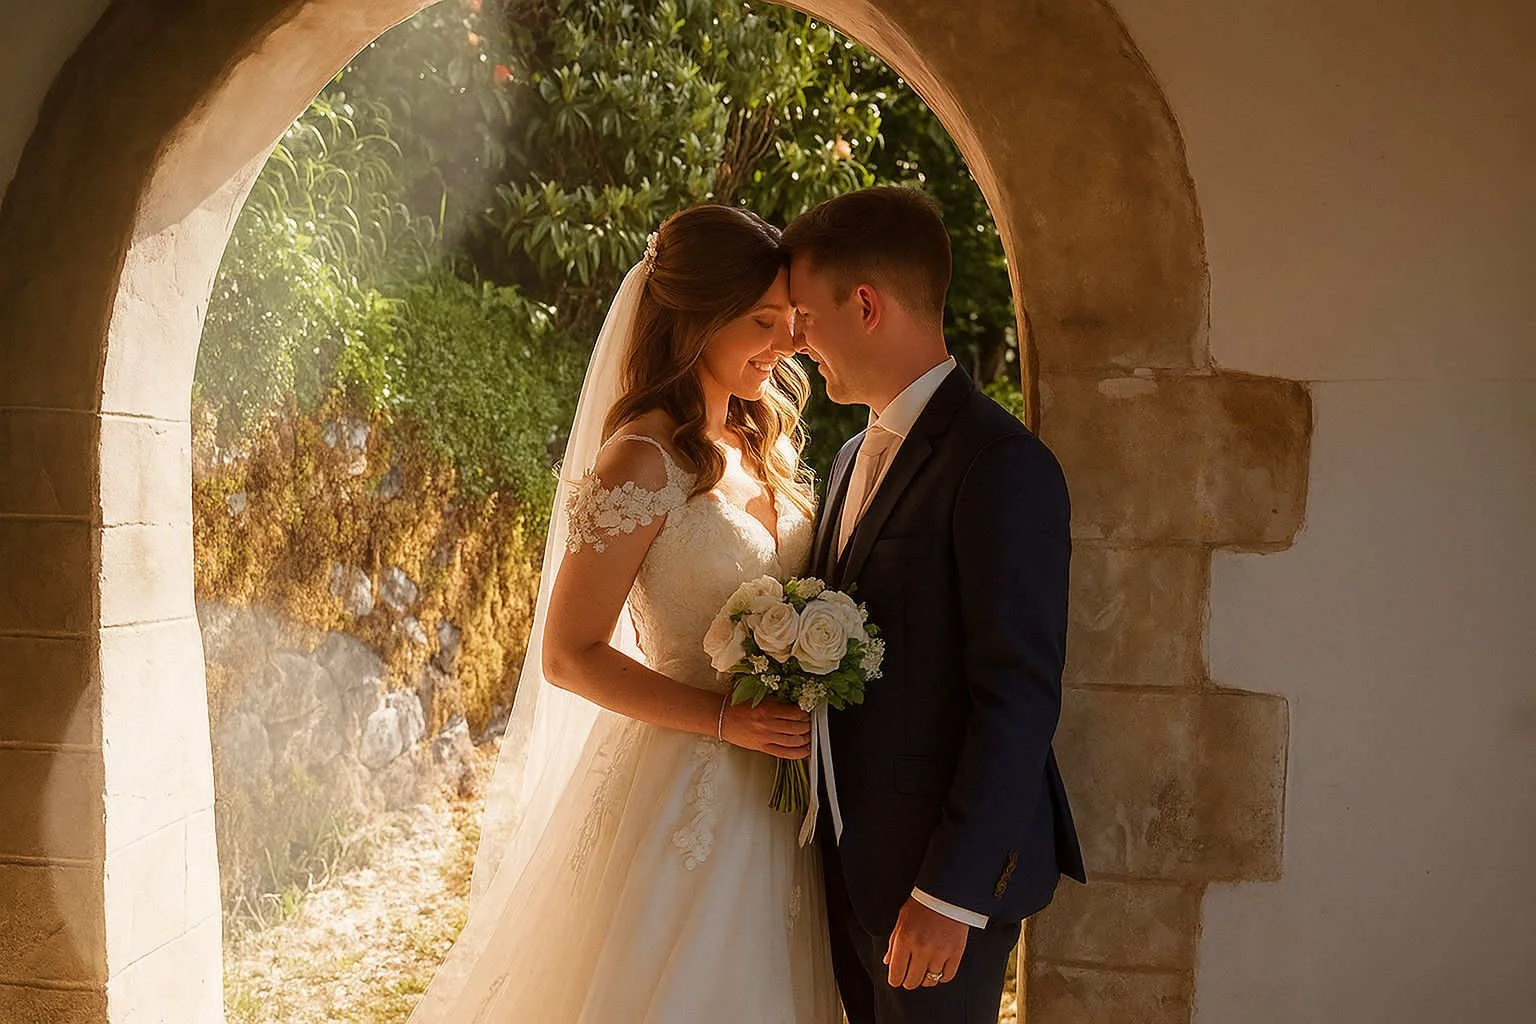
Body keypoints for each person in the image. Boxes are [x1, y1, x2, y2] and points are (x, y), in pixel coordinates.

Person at [408, 205, 840, 1022]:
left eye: (788, 322)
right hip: (689, 780)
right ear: (697, 318)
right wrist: (724, 720)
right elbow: (569, 654)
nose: (785, 343)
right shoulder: (642, 460)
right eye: (761, 322)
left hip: (784, 788)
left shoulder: (761, 443)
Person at [784, 186, 1087, 1024]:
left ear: (867, 305)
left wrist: (950, 895)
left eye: (806, 316)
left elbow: (1018, 696)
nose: (798, 342)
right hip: (847, 868)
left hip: (936, 889)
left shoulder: (1002, 466)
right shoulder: (848, 458)